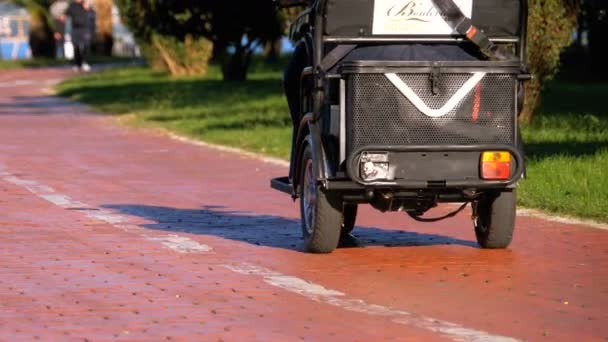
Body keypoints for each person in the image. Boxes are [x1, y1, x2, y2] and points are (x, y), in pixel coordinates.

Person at [65, 0, 92, 71]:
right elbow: (67, 16)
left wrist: (87, 8)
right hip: (75, 29)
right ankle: (77, 64)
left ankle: (85, 62)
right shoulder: (71, 5)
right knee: (76, 47)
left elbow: (91, 15)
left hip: (85, 28)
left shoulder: (86, 4)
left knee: (86, 46)